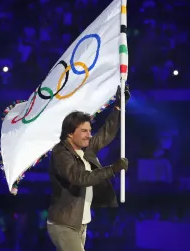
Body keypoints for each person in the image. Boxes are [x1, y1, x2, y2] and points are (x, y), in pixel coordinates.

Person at [47, 85, 130, 251]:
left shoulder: (85, 148)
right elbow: (80, 177)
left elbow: (105, 134)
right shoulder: (60, 153)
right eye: (84, 131)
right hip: (64, 224)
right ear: (70, 133)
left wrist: (118, 107)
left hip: (80, 224)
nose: (89, 135)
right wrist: (112, 169)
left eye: (89, 131)